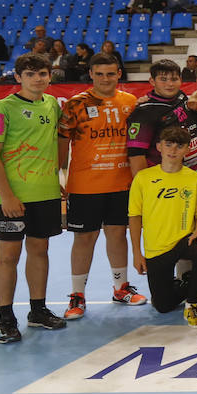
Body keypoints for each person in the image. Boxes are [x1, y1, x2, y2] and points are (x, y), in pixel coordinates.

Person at [0, 54, 66, 343]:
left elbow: (56, 143)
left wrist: (58, 180)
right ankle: (5, 319)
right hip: (12, 196)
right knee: (8, 257)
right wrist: (6, 195)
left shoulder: (53, 105)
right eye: (30, 74)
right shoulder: (1, 108)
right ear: (18, 77)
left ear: (49, 76)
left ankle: (38, 310)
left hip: (45, 194)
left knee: (40, 251)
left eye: (42, 73)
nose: (38, 78)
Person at [58, 53, 144, 320]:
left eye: (110, 73)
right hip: (85, 185)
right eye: (100, 74)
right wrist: (58, 176)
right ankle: (77, 294)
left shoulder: (130, 102)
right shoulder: (75, 105)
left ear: (119, 74)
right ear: (91, 75)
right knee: (84, 239)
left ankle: (121, 287)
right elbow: (61, 144)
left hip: (122, 183)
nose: (105, 78)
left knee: (118, 236)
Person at [127, 124, 197, 327]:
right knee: (163, 306)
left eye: (179, 145)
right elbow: (135, 216)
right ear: (159, 147)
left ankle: (192, 304)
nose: (173, 150)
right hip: (156, 248)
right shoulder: (143, 178)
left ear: (186, 150)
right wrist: (137, 253)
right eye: (169, 144)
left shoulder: (194, 178)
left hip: (184, 241)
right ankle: (187, 282)